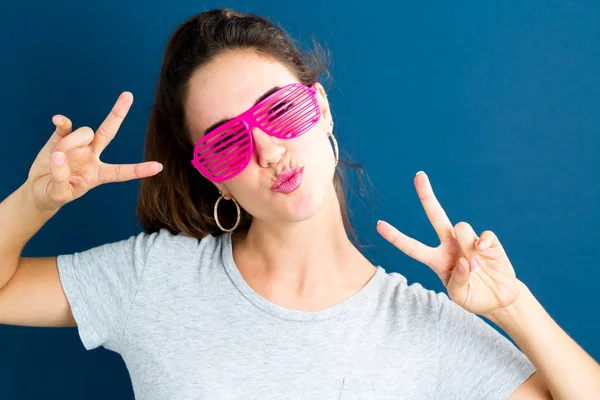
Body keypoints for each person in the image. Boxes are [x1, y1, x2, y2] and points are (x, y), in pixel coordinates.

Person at [2, 8, 599, 400]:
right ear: (215, 178)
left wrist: (514, 307)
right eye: (228, 141)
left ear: (322, 109)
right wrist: (37, 199)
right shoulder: (155, 278)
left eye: (281, 111)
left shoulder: (423, 327)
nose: (268, 149)